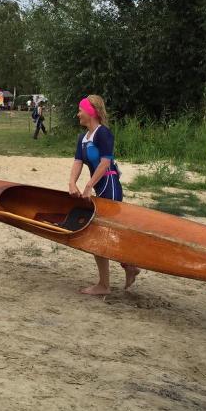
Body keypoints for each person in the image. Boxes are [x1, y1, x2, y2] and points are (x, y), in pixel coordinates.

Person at [69, 95, 140, 295]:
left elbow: (105, 162)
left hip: (110, 187)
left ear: (91, 112)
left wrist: (89, 185)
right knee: (105, 234)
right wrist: (72, 182)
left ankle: (105, 284)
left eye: (80, 110)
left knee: (98, 233)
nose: (78, 114)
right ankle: (128, 267)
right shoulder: (82, 138)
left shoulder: (103, 133)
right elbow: (78, 162)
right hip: (99, 188)